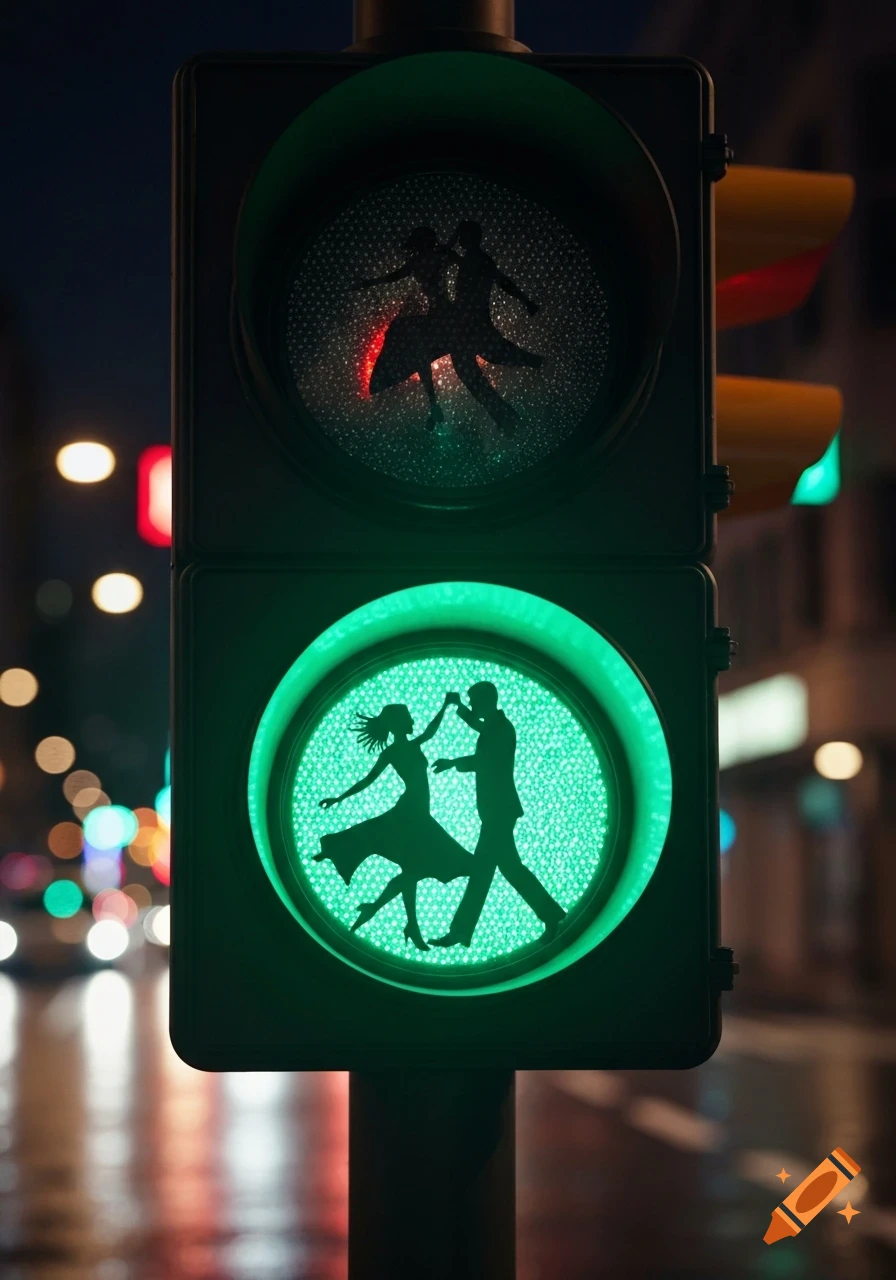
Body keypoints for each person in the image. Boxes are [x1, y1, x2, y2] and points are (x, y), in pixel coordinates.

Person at [315, 696, 473, 951]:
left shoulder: (410, 745)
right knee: (417, 868)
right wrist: (339, 798)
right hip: (412, 813)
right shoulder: (396, 751)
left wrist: (445, 707)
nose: (412, 720)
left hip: (417, 812)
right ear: (400, 722)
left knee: (412, 869)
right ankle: (391, 916)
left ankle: (401, 920)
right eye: (408, 717)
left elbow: (430, 732)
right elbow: (369, 780)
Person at [429, 682, 566, 948]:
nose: (472, 705)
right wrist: (459, 708)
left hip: (499, 812)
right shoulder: (495, 724)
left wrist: (452, 762)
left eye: (473, 700)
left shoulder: (501, 728)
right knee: (509, 869)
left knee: (483, 870)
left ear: (485, 700)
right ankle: (551, 916)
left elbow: (486, 760)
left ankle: (460, 931)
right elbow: (479, 727)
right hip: (497, 811)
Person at [354, 226, 460, 430]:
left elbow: (393, 277)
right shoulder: (425, 259)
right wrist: (366, 283)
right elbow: (392, 277)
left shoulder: (434, 256)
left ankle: (433, 405)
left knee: (412, 345)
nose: (422, 245)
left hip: (444, 312)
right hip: (437, 312)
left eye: (423, 241)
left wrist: (366, 283)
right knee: (413, 347)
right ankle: (433, 405)